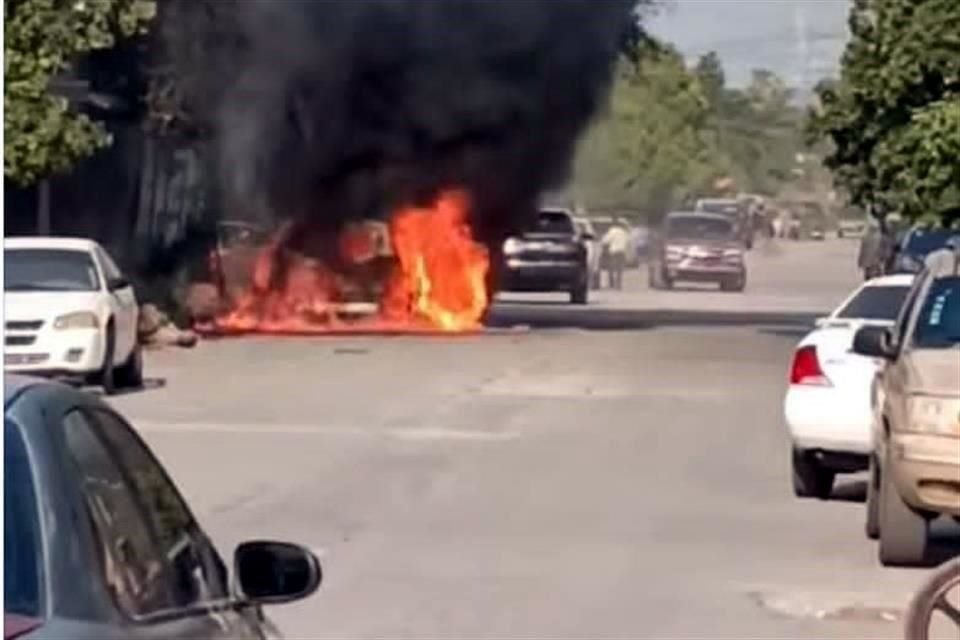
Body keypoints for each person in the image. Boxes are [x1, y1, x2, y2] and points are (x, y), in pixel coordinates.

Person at [601, 221, 630, 290]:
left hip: (614, 252)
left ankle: (612, 283)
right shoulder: (624, 232)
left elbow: (605, 240)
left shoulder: (612, 231)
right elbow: (628, 241)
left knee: (612, 268)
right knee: (619, 269)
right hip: (622, 251)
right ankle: (618, 284)